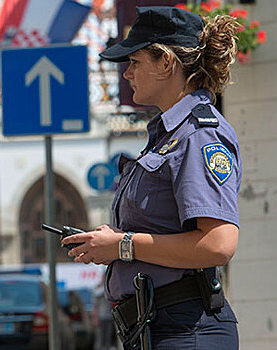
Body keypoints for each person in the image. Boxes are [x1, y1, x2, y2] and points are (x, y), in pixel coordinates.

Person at [61, 6, 240, 350]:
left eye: (136, 61)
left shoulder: (197, 135)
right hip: (160, 327)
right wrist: (112, 242)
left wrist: (122, 245)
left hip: (186, 328)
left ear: (166, 63)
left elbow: (218, 244)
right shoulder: (169, 134)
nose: (127, 73)